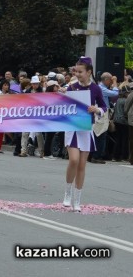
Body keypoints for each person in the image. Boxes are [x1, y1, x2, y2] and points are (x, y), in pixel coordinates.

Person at [62, 56, 107, 212]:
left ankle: (77, 199)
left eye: (80, 71)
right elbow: (63, 107)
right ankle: (67, 192)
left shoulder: (96, 89)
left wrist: (97, 110)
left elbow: (103, 106)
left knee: (82, 165)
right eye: (76, 71)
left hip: (86, 129)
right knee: (73, 160)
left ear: (89, 72)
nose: (78, 74)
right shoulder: (71, 87)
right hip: (72, 127)